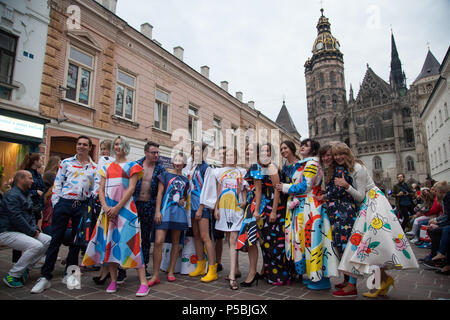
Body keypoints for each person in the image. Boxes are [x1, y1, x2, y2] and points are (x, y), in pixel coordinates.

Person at [331, 142, 419, 298]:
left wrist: (346, 186)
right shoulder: (348, 168)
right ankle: (382, 282)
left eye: (340, 154)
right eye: (335, 155)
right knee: (370, 245)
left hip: (373, 203)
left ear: (347, 153)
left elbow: (361, 195)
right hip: (367, 205)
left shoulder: (358, 168)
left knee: (371, 244)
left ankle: (379, 284)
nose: (337, 157)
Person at [82, 136, 150, 297]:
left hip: (126, 212)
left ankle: (143, 283)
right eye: (116, 144)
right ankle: (113, 280)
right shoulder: (105, 167)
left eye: (121, 144)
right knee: (109, 244)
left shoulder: (133, 166)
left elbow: (131, 189)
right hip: (108, 212)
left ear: (126, 147)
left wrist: (118, 207)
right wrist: (105, 207)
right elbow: (101, 189)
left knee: (133, 245)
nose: (118, 147)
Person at [31, 136, 97, 294]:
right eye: (79, 144)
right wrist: (56, 202)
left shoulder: (94, 167)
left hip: (81, 205)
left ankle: (71, 274)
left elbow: (96, 186)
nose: (81, 146)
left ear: (89, 148)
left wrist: (90, 200)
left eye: (84, 145)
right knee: (55, 239)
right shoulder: (66, 163)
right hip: (65, 203)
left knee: (76, 242)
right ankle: (45, 277)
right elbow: (58, 182)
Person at [275, 139, 338, 290]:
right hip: (303, 206)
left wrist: (284, 186)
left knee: (314, 241)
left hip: (310, 207)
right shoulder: (307, 164)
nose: (302, 147)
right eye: (302, 145)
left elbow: (306, 186)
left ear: (314, 150)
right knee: (305, 242)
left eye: (306, 146)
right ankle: (313, 275)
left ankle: (320, 278)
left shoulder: (312, 164)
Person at [120, 141, 166, 282]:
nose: (156, 155)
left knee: (145, 239)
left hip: (149, 207)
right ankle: (122, 269)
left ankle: (143, 265)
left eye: (158, 152)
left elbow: (160, 192)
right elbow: (125, 185)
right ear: (146, 152)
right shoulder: (135, 165)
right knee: (128, 237)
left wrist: (158, 211)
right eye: (153, 152)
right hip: (133, 205)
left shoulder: (160, 169)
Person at [0, 171, 52, 288]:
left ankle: (25, 269)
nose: (33, 181)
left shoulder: (25, 193)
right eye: (30, 178)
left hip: (20, 230)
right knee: (36, 246)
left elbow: (30, 215)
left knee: (48, 240)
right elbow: (16, 218)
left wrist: (34, 229)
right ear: (21, 180)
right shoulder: (12, 195)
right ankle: (12, 275)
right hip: (7, 231)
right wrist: (32, 232)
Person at [318, 144, 358, 296]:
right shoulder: (332, 171)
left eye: (329, 155)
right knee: (341, 246)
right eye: (324, 156)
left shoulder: (339, 170)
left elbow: (339, 190)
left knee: (348, 247)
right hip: (337, 212)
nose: (327, 158)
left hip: (344, 212)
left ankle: (352, 286)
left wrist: (324, 196)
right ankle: (348, 280)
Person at [146, 152, 190, 287]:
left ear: (184, 163)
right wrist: (158, 211)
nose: (177, 162)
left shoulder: (186, 179)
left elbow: (185, 196)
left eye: (180, 160)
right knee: (158, 242)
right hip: (164, 212)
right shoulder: (165, 174)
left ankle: (171, 271)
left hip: (178, 213)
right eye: (176, 160)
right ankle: (155, 275)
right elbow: (160, 193)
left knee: (176, 242)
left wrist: (183, 200)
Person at [214, 148, 247, 290]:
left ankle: (232, 276)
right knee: (229, 239)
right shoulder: (218, 172)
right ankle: (237, 269)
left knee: (233, 240)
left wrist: (244, 201)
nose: (229, 157)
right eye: (226, 155)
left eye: (232, 155)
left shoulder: (242, 172)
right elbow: (217, 191)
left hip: (236, 209)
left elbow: (244, 190)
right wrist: (215, 208)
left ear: (235, 157)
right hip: (223, 208)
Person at [186, 143, 218, 282]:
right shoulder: (194, 168)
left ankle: (212, 269)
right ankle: (200, 265)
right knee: (196, 236)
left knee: (206, 237)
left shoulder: (207, 168)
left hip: (202, 207)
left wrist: (201, 207)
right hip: (191, 207)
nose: (197, 154)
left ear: (204, 153)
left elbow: (208, 190)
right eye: (195, 151)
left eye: (199, 151)